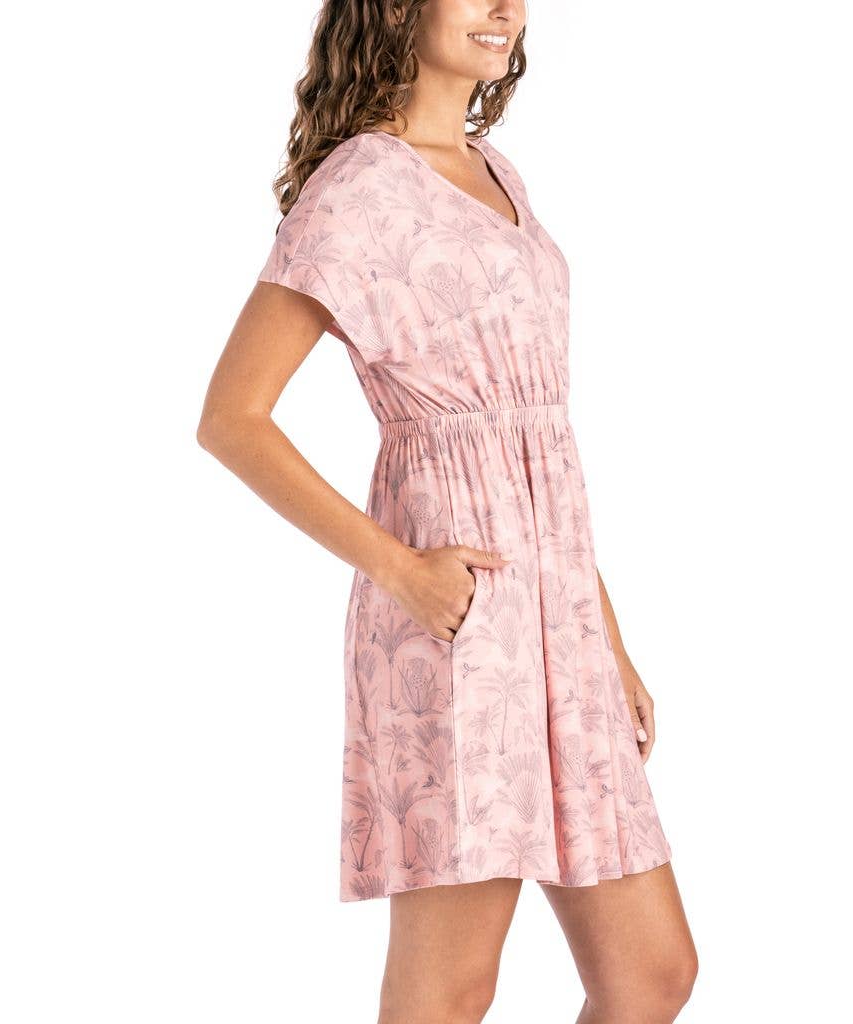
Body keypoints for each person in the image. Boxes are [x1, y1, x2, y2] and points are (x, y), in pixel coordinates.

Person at [197, 1, 698, 1020]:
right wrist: (403, 571)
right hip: (457, 616)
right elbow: (232, 419)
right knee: (451, 988)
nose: (504, 7)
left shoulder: (496, 170)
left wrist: (603, 639)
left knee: (651, 973)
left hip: (558, 618)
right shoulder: (360, 187)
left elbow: (533, 449)